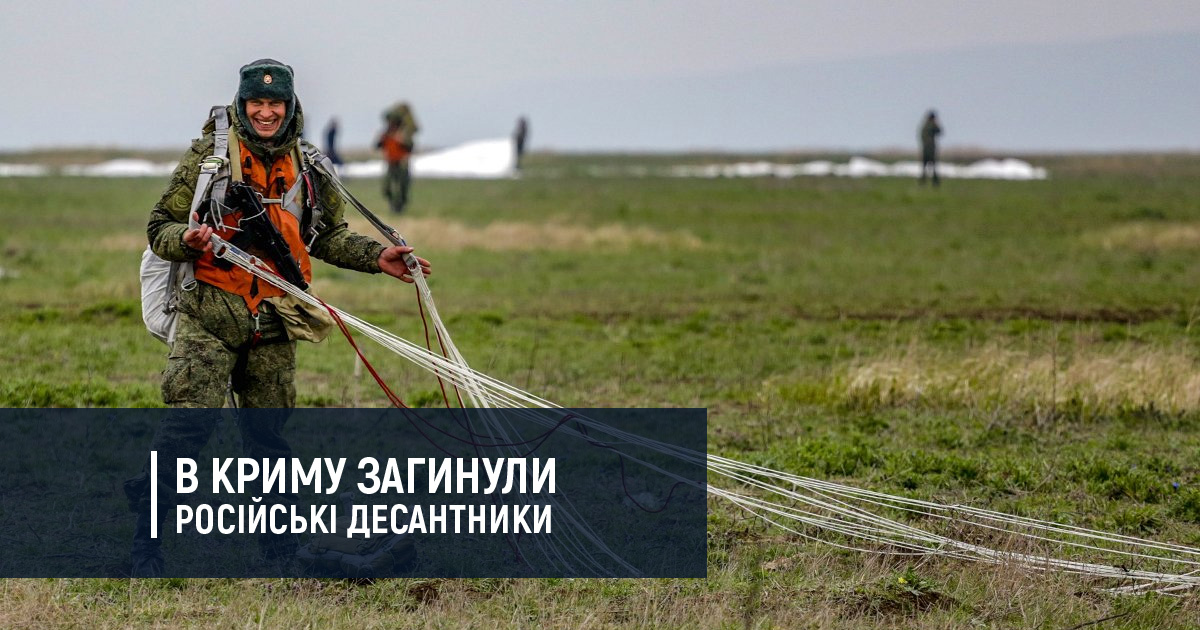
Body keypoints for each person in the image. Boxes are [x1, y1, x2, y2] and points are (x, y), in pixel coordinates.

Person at [125, 59, 432, 577]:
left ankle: (279, 553)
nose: (266, 113)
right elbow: (160, 226)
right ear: (242, 105)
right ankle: (146, 549)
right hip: (209, 312)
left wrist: (376, 258)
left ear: (291, 107)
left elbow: (327, 234)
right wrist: (190, 238)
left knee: (269, 441)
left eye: (276, 104)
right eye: (256, 103)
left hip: (274, 320)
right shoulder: (210, 157)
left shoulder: (309, 165)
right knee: (188, 429)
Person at [376, 102, 419, 214]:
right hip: (390, 162)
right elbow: (378, 145)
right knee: (387, 187)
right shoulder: (386, 133)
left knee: (402, 186)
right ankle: (393, 205)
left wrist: (401, 141)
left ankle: (400, 208)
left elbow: (410, 147)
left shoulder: (403, 134)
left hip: (402, 163)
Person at [919, 110, 942, 187]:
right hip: (931, 149)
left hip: (925, 149)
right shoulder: (932, 125)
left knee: (924, 168)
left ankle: (922, 182)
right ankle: (935, 183)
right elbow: (940, 131)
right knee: (933, 167)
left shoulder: (924, 126)